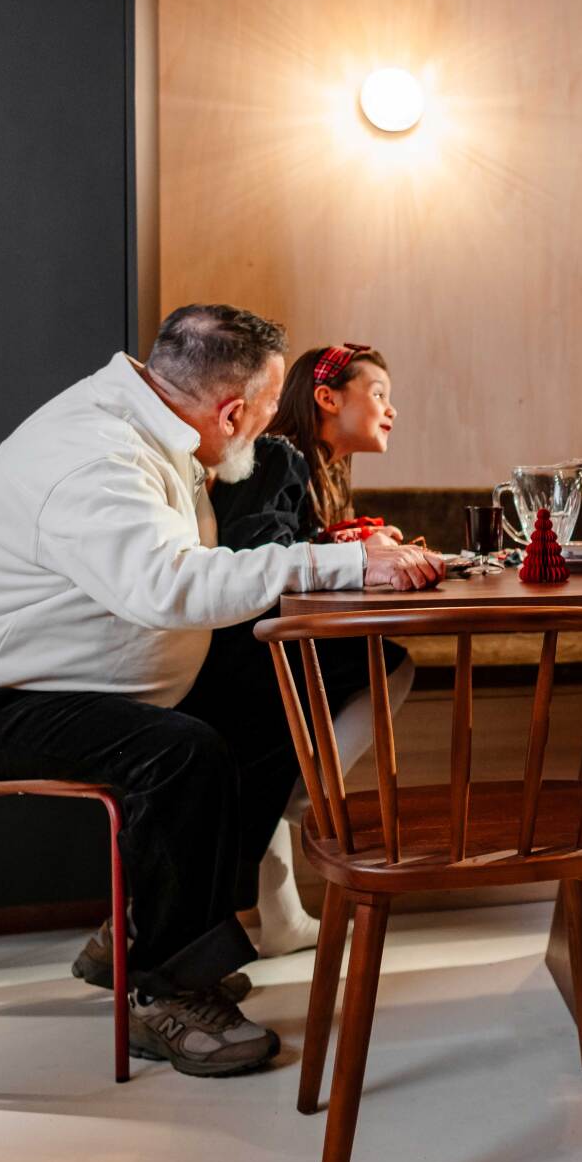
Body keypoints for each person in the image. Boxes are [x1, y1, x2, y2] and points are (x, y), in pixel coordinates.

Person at [0, 305, 444, 1076]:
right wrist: (342, 563)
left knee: (301, 681)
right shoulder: (95, 456)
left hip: (93, 678)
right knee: (182, 754)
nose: (271, 430)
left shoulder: (150, 426)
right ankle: (168, 993)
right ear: (233, 410)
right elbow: (169, 585)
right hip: (17, 692)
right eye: (269, 412)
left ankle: (152, 930)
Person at [205, 343, 412, 957]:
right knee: (390, 663)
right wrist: (346, 554)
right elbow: (255, 552)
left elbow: (292, 541)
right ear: (327, 397)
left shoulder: (314, 464)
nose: (390, 409)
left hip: (259, 647)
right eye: (377, 392)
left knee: (257, 767)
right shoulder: (278, 454)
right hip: (244, 652)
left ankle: (284, 913)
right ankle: (309, 797)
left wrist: (347, 538)